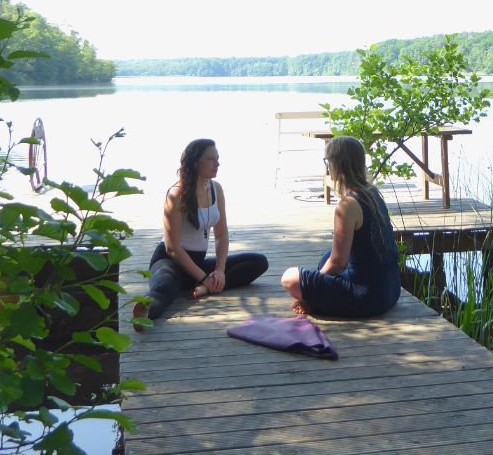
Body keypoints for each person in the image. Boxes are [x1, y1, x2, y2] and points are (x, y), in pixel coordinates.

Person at [138, 138, 269, 325]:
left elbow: (222, 235)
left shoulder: (216, 189)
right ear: (195, 162)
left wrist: (219, 271)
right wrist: (204, 277)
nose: (217, 164)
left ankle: (204, 288)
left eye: (218, 158)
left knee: (257, 262)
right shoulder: (176, 194)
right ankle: (145, 314)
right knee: (164, 286)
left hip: (197, 265)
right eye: (211, 159)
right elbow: (172, 248)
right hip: (171, 262)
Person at [281, 136, 401, 318]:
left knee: (290, 278)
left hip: (367, 297)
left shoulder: (347, 205)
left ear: (337, 164)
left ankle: (315, 301)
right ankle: (322, 296)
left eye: (327, 161)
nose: (327, 166)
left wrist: (309, 294)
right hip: (391, 291)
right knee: (327, 256)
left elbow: (338, 263)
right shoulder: (373, 193)